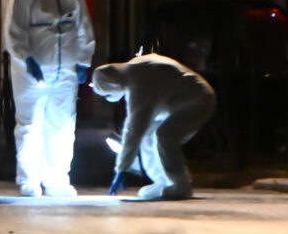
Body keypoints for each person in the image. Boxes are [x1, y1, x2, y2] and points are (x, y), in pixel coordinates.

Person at [3, 0, 95, 197]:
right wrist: (26, 59)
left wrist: (83, 62)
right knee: (30, 124)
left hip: (66, 69)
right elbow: (14, 30)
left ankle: (57, 179)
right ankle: (29, 180)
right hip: (31, 71)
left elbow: (83, 26)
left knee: (63, 124)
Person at [91, 53, 216, 200]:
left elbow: (134, 128)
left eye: (107, 94)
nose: (109, 99)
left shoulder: (139, 80)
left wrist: (121, 168)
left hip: (198, 100)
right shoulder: (135, 71)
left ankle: (180, 184)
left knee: (165, 135)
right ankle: (162, 181)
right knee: (148, 135)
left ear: (113, 85)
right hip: (179, 103)